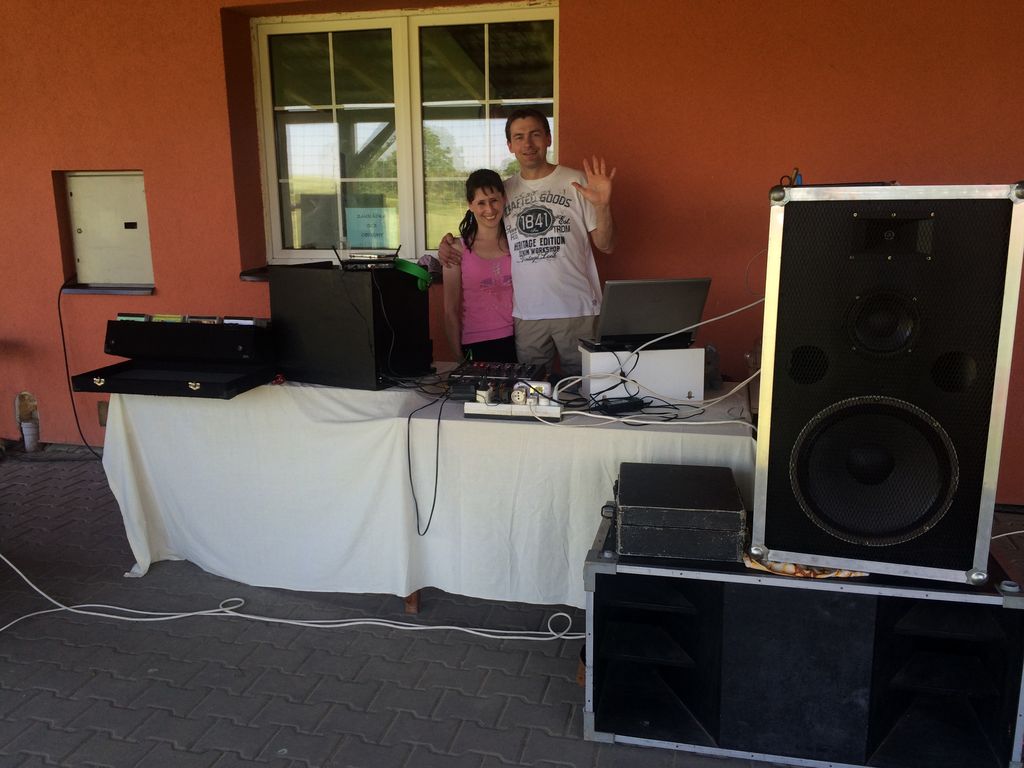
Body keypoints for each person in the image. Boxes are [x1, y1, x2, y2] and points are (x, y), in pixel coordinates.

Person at [438, 107, 616, 377]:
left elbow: (606, 245)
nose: (528, 144)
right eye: (519, 137)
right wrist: (449, 244)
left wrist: (603, 206)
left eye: (535, 134)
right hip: (527, 316)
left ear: (548, 138)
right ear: (510, 145)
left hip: (578, 310)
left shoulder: (576, 181)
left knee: (585, 389)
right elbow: (484, 226)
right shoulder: (505, 190)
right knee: (531, 393)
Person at [443, 169, 516, 363]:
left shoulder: (517, 243)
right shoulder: (456, 249)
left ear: (503, 199)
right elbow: (450, 310)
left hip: (518, 340)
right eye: (481, 203)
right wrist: (458, 359)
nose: (489, 210)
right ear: (470, 205)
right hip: (476, 343)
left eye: (494, 200)